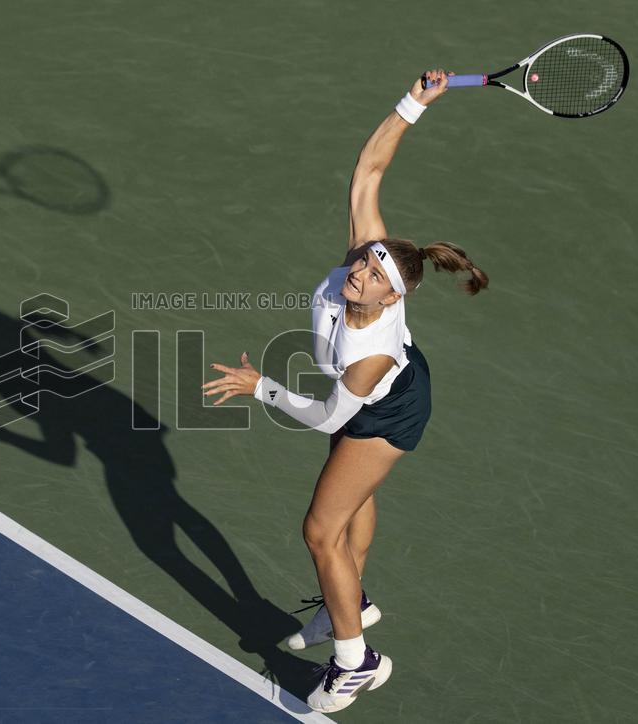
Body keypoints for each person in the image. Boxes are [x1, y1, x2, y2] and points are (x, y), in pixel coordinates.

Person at [202, 68, 489, 714]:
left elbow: (330, 412)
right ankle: (349, 603)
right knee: (346, 495)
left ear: (396, 296)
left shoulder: (372, 353)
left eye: (374, 271)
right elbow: (369, 171)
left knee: (320, 529)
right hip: (363, 398)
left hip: (391, 407)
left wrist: (263, 388)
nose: (358, 270)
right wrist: (413, 103)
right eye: (363, 259)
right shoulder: (364, 259)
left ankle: (355, 663)